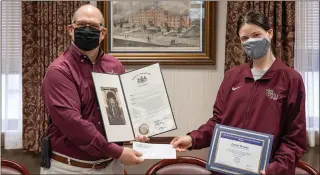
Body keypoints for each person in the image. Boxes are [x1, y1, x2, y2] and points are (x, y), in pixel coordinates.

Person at [170, 11, 307, 175]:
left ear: (270, 33)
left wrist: (274, 169)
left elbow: (294, 139)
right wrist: (192, 139)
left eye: (256, 34)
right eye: (245, 38)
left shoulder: (290, 79)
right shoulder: (233, 76)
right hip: (225, 169)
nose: (251, 41)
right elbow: (218, 122)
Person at [40, 4, 147, 174]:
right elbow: (72, 123)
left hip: (111, 166)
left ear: (103, 33)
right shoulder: (59, 70)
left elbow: (121, 110)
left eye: (94, 26)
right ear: (70, 29)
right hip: (70, 168)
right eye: (81, 25)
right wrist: (117, 152)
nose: (87, 30)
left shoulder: (115, 66)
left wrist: (137, 128)